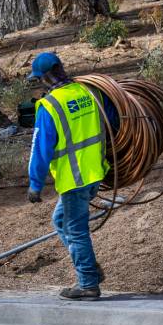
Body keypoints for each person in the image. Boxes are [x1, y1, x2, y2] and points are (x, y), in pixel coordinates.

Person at [27, 52, 118, 300]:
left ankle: (88, 283)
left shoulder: (49, 106)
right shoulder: (90, 93)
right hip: (95, 172)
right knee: (60, 221)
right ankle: (90, 271)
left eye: (38, 79)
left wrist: (35, 184)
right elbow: (112, 122)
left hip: (73, 179)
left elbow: (41, 149)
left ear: (45, 78)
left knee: (76, 230)